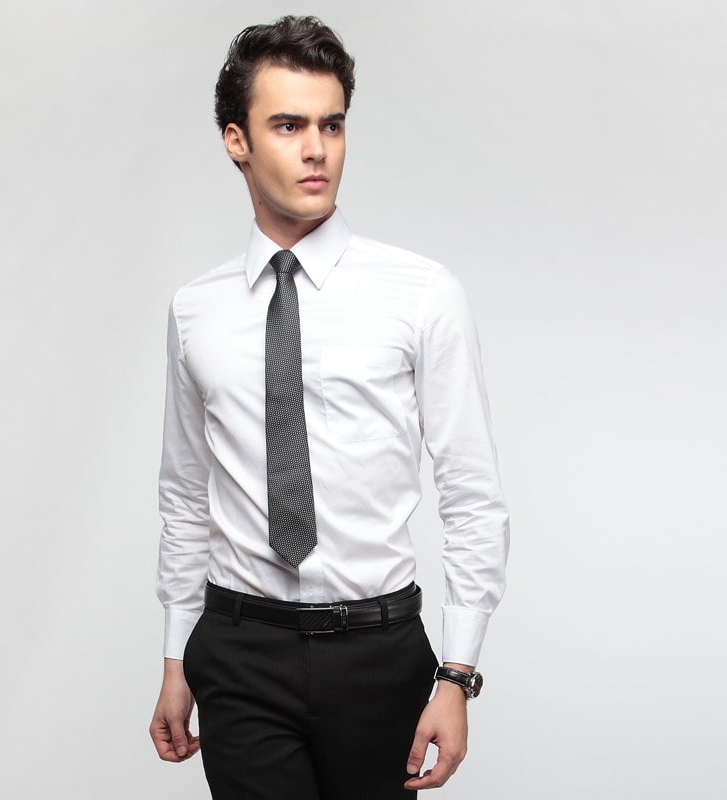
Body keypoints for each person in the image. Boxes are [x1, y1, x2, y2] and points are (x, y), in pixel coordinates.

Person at [149, 15, 509, 799]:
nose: (317, 149)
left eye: (332, 124)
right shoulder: (195, 309)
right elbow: (183, 495)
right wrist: (177, 658)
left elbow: (472, 494)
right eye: (288, 125)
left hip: (378, 652)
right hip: (240, 650)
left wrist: (458, 674)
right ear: (237, 141)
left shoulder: (420, 293)